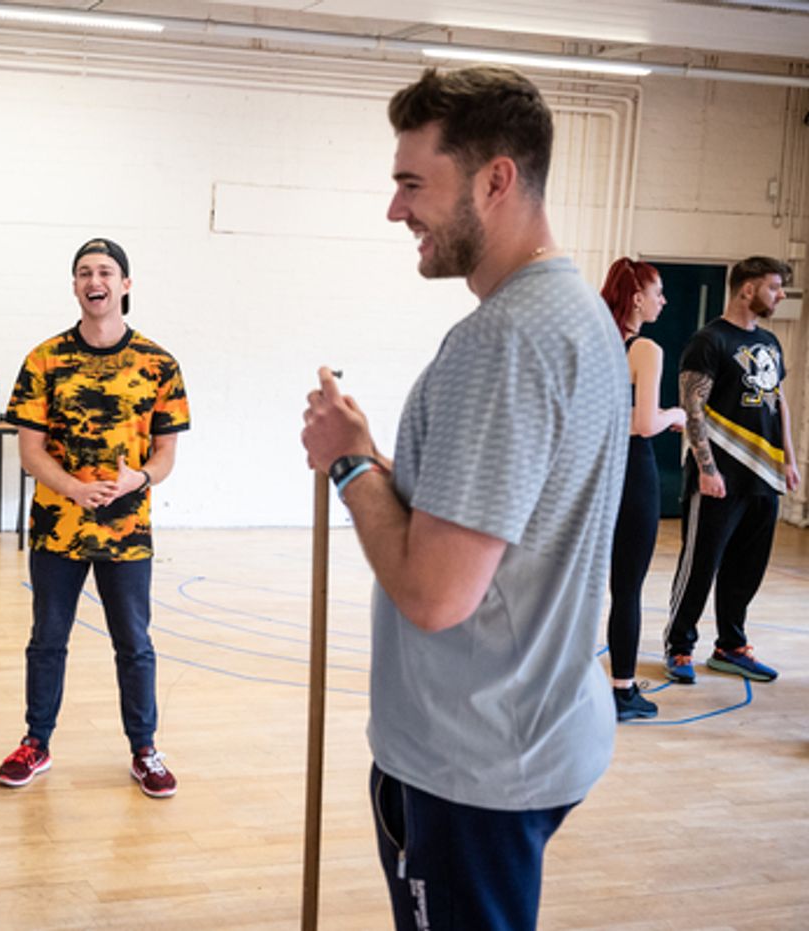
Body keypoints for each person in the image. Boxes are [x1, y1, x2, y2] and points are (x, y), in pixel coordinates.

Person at [300, 67, 627, 930]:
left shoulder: (505, 341)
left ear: (496, 179)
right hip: (535, 727)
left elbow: (437, 593)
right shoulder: (579, 315)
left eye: (414, 183)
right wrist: (372, 453)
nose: (396, 210)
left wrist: (348, 463)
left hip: (474, 761)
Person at [0, 237, 190, 799]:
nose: (93, 279)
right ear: (76, 285)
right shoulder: (44, 360)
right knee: (47, 639)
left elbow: (165, 456)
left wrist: (139, 479)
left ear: (125, 285)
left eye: (105, 271)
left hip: (127, 530)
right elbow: (30, 452)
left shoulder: (159, 364)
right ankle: (36, 742)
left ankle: (145, 749)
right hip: (58, 527)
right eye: (83, 271)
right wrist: (73, 489)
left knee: (134, 642)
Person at [665, 256, 798, 684]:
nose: (779, 295)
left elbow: (779, 404)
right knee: (701, 564)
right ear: (747, 288)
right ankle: (679, 646)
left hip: (764, 475)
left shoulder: (772, 344)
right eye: (774, 287)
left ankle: (731, 646)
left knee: (747, 568)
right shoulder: (709, 341)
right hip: (719, 476)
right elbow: (693, 407)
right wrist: (706, 468)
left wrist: (790, 460)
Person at [600, 258, 686, 720]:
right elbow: (645, 423)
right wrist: (678, 415)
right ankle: (622, 691)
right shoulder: (645, 350)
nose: (664, 301)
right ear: (637, 298)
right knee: (627, 587)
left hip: (590, 472)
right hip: (631, 473)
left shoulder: (590, 340)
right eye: (658, 292)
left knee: (583, 586)